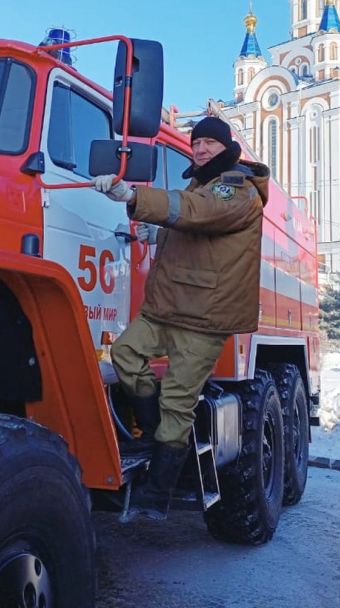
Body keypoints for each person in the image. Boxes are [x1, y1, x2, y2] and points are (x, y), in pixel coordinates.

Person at [92, 115, 269, 520]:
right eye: (197, 142)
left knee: (177, 402)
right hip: (168, 308)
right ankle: (154, 437)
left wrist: (132, 196)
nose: (201, 148)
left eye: (210, 142)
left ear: (226, 147)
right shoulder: (202, 185)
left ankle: (158, 494)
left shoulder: (235, 186)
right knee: (125, 354)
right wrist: (157, 234)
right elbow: (193, 226)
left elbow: (197, 212)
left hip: (202, 316)